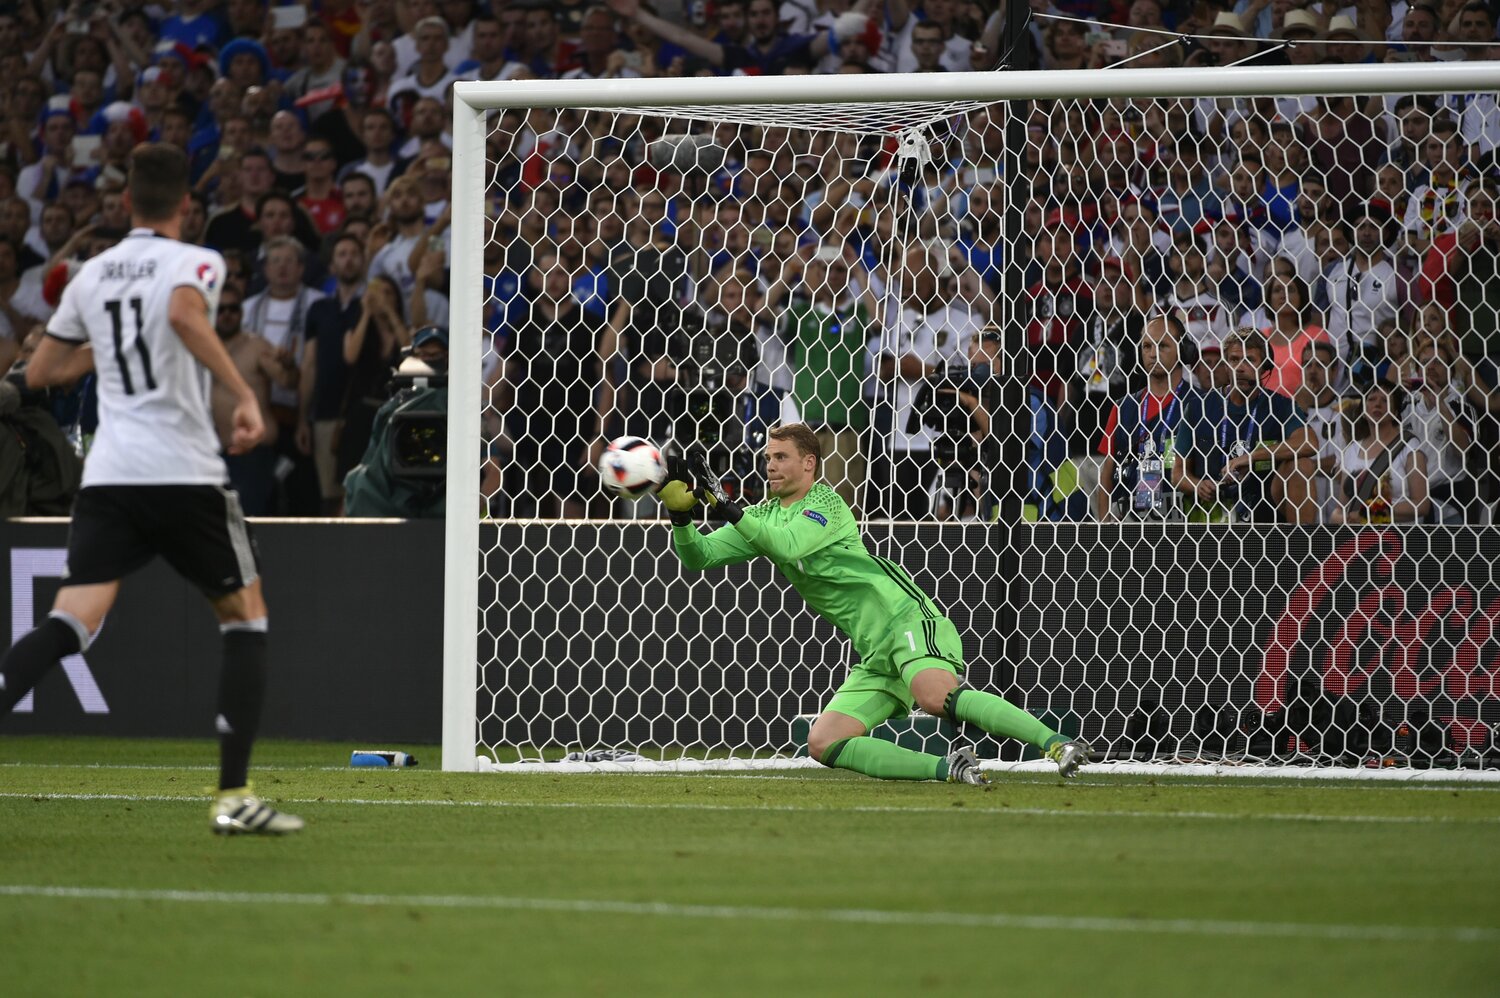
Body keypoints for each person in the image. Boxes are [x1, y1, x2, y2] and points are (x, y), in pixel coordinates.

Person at [0, 144, 301, 835]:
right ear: (186, 207)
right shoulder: (197, 262)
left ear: (128, 201)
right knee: (245, 616)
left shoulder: (91, 274)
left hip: (111, 475)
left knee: (70, 619)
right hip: (182, 470)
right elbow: (184, 318)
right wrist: (242, 393)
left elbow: (45, 367)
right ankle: (233, 797)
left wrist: (85, 352)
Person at [656, 422, 1090, 784]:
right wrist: (681, 519)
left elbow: (787, 547)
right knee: (824, 741)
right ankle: (949, 769)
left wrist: (729, 506)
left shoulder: (825, 503)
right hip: (873, 649)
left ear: (809, 462)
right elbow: (700, 557)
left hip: (905, 617)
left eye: (780, 457)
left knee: (933, 695)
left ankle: (1058, 743)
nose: (770, 465)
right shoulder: (764, 515)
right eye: (767, 457)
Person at [1173, 329, 1315, 523]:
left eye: (1250, 360)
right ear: (1225, 365)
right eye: (1234, 360)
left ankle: (1300, 547)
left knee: (1302, 465)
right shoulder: (1199, 407)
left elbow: (1309, 443)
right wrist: (1198, 485)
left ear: (1265, 367)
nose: (1240, 367)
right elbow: (1177, 473)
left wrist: (1252, 457)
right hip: (1211, 511)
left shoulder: (1280, 406)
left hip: (1263, 508)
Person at [1095, 312, 1188, 521]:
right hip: (1130, 523)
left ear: (1183, 350)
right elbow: (1107, 473)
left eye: (1163, 345)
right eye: (1147, 346)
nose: (1153, 354)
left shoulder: (1199, 405)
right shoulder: (1124, 408)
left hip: (1185, 522)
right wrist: (1104, 528)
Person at [1330, 381, 1431, 525]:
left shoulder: (1410, 446)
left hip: (1399, 540)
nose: (1377, 404)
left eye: (1385, 400)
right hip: (1360, 541)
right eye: (1371, 399)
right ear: (1363, 411)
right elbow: (1340, 509)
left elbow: (1421, 505)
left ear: (1395, 412)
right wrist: (1341, 518)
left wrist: (1371, 514)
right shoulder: (1352, 450)